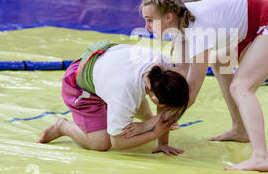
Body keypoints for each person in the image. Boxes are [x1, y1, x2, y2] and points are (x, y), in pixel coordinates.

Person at [138, 0, 268, 172]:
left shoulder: (197, 31)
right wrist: (155, 73)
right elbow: (180, 74)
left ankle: (260, 157)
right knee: (220, 60)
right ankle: (240, 129)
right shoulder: (180, 22)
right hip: (255, 24)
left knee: (241, 87)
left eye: (150, 20)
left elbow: (190, 93)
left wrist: (153, 125)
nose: (146, 26)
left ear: (168, 17)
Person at [37, 40, 190, 154]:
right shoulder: (125, 94)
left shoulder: (164, 67)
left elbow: (165, 103)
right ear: (155, 99)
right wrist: (154, 133)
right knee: (101, 143)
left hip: (105, 69)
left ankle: (149, 120)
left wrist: (162, 141)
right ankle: (62, 126)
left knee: (137, 104)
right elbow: (117, 142)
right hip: (79, 85)